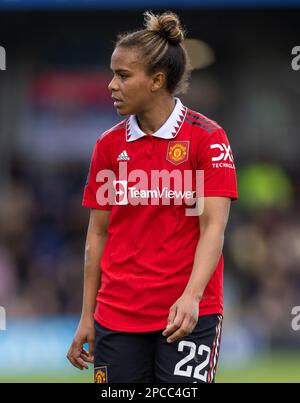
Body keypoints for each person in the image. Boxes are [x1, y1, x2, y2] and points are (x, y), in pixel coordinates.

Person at [67, 10, 238, 383]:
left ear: (157, 80)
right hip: (116, 318)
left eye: (123, 75)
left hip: (187, 314)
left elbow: (214, 228)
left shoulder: (207, 138)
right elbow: (97, 234)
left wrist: (192, 296)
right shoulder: (108, 145)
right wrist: (86, 314)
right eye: (113, 73)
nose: (111, 85)